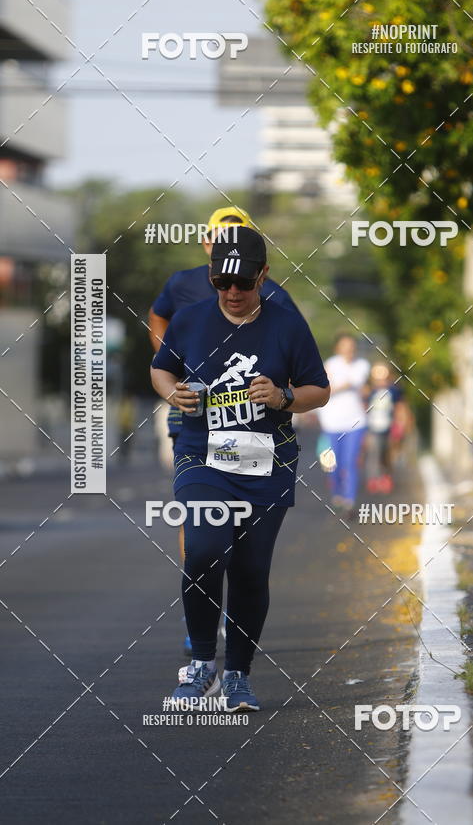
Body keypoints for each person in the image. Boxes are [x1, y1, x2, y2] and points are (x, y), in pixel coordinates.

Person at [151, 227, 330, 711]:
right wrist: (172, 392)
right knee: (204, 552)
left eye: (243, 283)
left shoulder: (287, 325)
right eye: (221, 282)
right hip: (202, 455)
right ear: (211, 277)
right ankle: (200, 665)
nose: (231, 292)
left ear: (263, 276)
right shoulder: (189, 320)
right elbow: (160, 367)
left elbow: (319, 388)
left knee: (251, 570)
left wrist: (285, 397)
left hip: (267, 461)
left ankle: (237, 676)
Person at [148, 206, 299, 654]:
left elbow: (294, 352)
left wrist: (278, 394)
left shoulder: (272, 293)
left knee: (239, 529)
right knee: (197, 510)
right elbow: (157, 317)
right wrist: (168, 367)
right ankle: (202, 590)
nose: (232, 288)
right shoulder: (182, 283)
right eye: (220, 235)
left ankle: (230, 612)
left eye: (237, 234)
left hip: (245, 430)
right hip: (190, 416)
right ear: (206, 241)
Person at [317, 334, 370, 513]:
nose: (348, 350)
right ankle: (338, 492)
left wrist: (331, 387)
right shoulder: (330, 364)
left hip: (355, 422)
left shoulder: (361, 365)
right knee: (333, 464)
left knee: (350, 462)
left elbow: (351, 383)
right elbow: (320, 387)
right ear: (337, 348)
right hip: (331, 423)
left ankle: (350, 500)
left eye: (351, 346)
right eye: (344, 346)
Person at [365, 363, 408, 494]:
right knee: (373, 453)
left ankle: (385, 476)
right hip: (373, 427)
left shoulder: (394, 391)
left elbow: (400, 408)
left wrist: (400, 424)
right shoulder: (370, 391)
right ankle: (373, 478)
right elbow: (364, 407)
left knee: (387, 454)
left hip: (389, 427)